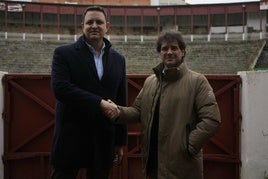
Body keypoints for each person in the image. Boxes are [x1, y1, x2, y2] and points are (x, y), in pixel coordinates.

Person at [105, 31, 221, 179]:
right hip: (152, 163)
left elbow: (212, 120)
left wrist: (188, 147)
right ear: (159, 53)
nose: (169, 52)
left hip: (182, 165)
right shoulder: (150, 82)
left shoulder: (198, 81)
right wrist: (118, 111)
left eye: (174, 48)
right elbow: (137, 111)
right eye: (164, 49)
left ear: (183, 51)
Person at [50, 5, 127, 179]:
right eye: (89, 22)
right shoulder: (63, 53)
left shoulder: (119, 60)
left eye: (99, 22)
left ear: (107, 26)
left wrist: (120, 142)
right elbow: (60, 88)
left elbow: (121, 100)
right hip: (70, 138)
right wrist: (98, 103)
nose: (94, 25)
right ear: (82, 26)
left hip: (103, 139)